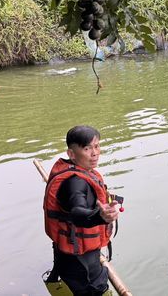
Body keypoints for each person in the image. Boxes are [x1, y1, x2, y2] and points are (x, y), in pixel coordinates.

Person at [44, 125, 121, 296]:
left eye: (97, 146)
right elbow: (77, 213)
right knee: (96, 290)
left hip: (67, 255)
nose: (95, 153)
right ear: (71, 154)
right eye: (87, 148)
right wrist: (100, 216)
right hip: (82, 265)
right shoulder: (75, 183)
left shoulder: (78, 172)